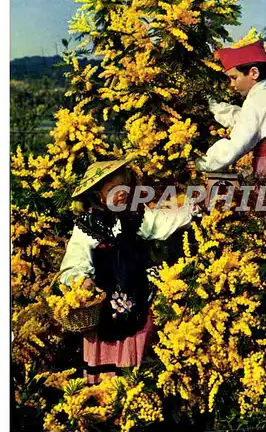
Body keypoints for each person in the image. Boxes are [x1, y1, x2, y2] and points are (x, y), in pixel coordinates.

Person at [60, 159, 195, 384]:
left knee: (138, 353)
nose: (121, 194)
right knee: (108, 358)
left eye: (124, 187)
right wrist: (80, 280)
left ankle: (135, 389)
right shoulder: (87, 226)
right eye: (113, 189)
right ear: (98, 195)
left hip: (137, 296)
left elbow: (166, 222)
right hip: (104, 306)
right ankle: (106, 394)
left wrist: (196, 206)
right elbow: (74, 262)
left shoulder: (135, 216)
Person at [194, 40, 266, 258]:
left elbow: (239, 141)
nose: (231, 84)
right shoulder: (261, 96)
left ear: (253, 73)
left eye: (234, 77)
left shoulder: (260, 100)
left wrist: (204, 162)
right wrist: (215, 106)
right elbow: (243, 119)